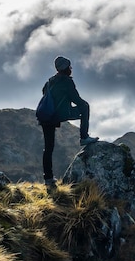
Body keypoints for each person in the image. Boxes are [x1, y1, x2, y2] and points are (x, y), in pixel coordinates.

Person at [38, 56, 99, 186]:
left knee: (48, 148)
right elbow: (76, 100)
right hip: (60, 114)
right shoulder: (67, 82)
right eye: (69, 67)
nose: (71, 69)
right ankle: (84, 137)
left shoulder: (50, 81)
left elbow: (44, 92)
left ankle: (48, 178)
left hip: (46, 115)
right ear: (66, 69)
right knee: (85, 107)